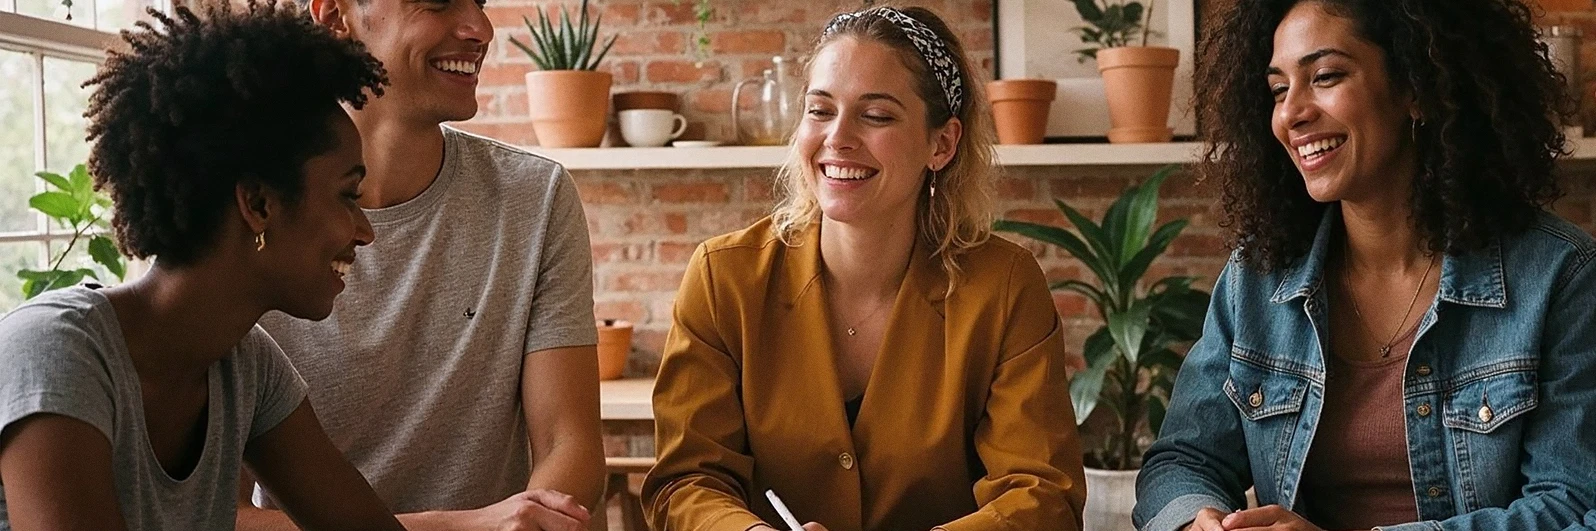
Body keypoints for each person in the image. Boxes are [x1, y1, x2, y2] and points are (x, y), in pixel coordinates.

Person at [1134, 1, 1596, 530]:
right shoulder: (1258, 278)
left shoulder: (1560, 275)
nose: (1291, 114)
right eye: (1279, 89)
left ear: (1417, 86)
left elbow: (1572, 506)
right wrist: (1199, 522)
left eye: (1325, 76)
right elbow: (1183, 460)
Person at [643, 6, 1087, 531]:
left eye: (875, 116)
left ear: (941, 144)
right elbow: (686, 482)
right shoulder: (723, 278)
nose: (838, 137)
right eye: (819, 110)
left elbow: (1041, 497)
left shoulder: (1005, 286)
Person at [0, 1, 401, 529]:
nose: (365, 231)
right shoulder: (55, 353)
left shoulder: (246, 369)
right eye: (347, 196)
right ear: (258, 204)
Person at [231, 0, 606, 527]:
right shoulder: (249, 212)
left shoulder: (535, 198)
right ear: (336, 14)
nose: (480, 29)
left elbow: (570, 443)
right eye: (436, 1)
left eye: (480, 3)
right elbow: (214, 514)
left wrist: (524, 523)